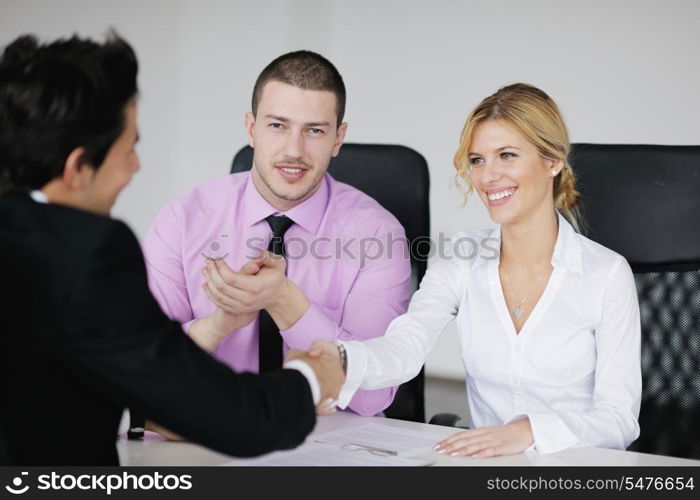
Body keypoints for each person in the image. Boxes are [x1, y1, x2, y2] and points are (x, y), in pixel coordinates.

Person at [0, 32, 343, 466]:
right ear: (78, 167)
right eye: (130, 148)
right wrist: (312, 377)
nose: (136, 165)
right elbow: (236, 419)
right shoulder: (85, 253)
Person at [312, 83, 642, 457]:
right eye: (477, 160)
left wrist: (527, 432)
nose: (487, 177)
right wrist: (339, 360)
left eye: (507, 155)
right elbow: (404, 349)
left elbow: (618, 419)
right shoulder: (461, 260)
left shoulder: (607, 275)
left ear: (552, 162)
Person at [142, 50, 411, 417]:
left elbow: (371, 398)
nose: (293, 150)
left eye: (314, 130)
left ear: (338, 138)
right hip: (208, 433)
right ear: (251, 128)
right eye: (277, 126)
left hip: (329, 444)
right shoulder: (183, 220)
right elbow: (142, 370)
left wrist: (286, 303)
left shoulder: (378, 236)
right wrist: (216, 327)